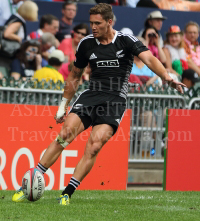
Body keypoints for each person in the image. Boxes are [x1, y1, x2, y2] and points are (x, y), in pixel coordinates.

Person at [12, 3, 185, 205]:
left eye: (97, 23)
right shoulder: (86, 44)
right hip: (91, 95)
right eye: (91, 23)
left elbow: (149, 59)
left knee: (94, 146)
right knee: (65, 134)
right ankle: (28, 184)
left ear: (109, 22)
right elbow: (75, 76)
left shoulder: (126, 41)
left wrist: (166, 75)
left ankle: (66, 193)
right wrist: (62, 107)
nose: (93, 27)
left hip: (114, 100)